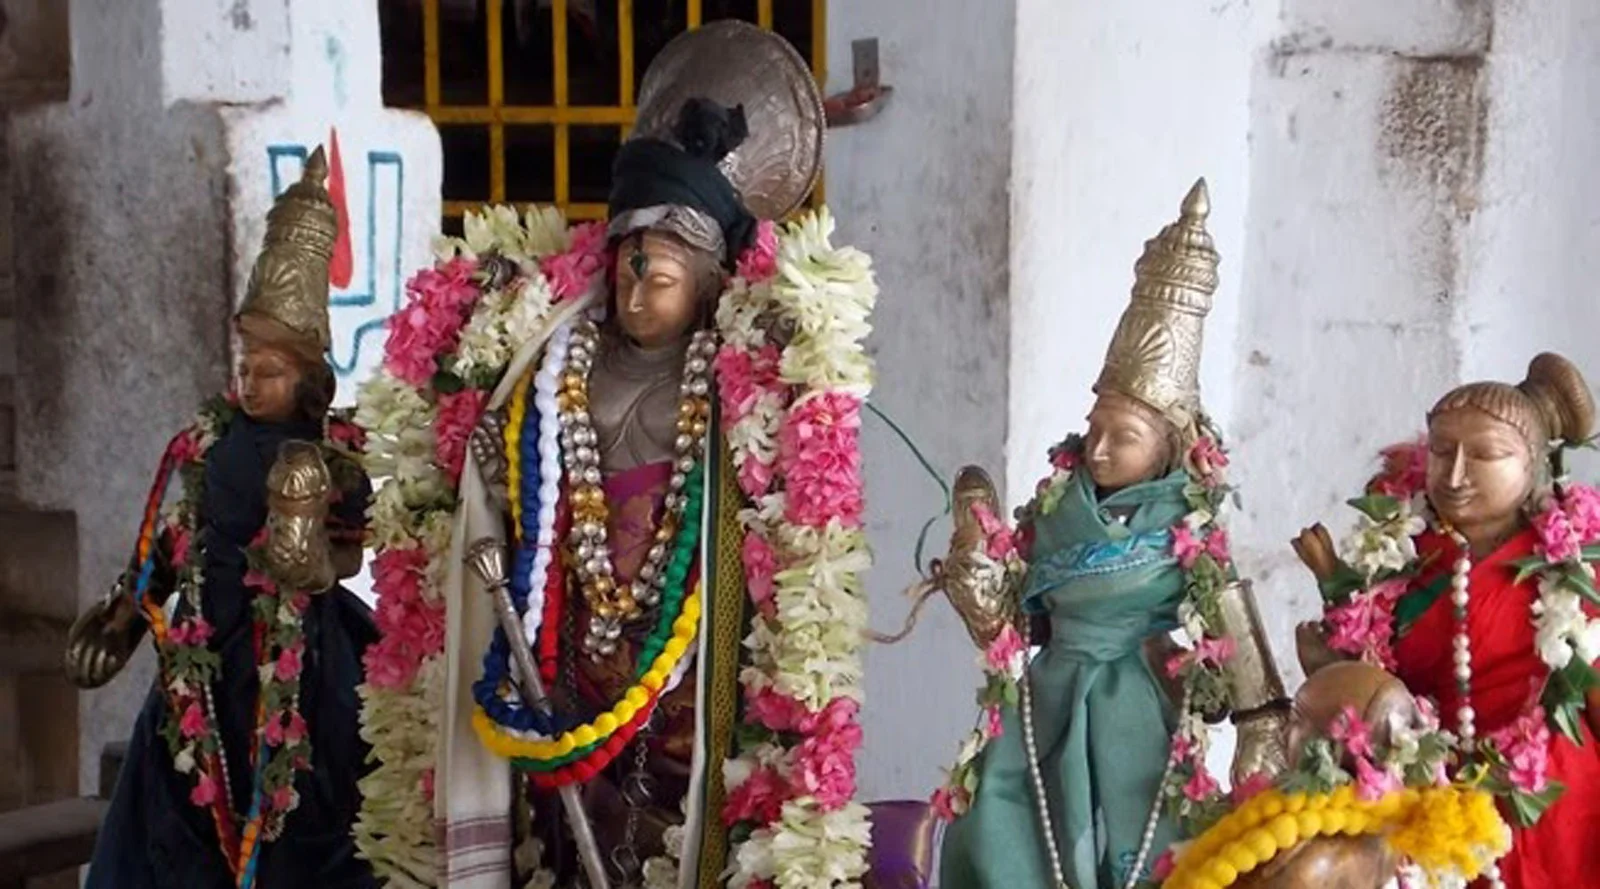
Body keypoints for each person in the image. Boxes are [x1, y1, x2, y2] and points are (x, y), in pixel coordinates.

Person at [68, 148, 378, 889]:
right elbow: (175, 537)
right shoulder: (209, 443)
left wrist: (302, 536)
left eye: (269, 369)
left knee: (317, 816)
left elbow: (345, 558)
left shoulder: (335, 454)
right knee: (175, 814)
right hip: (205, 656)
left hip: (303, 660)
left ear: (308, 378)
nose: (250, 379)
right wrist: (125, 614)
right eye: (245, 364)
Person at [1295, 353, 1600, 888]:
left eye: (1485, 455)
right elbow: (1379, 680)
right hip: (1421, 793)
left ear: (1530, 466)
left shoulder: (1568, 567)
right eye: (1441, 451)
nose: (1455, 475)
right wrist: (1333, 662)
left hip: (1543, 803)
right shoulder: (1399, 554)